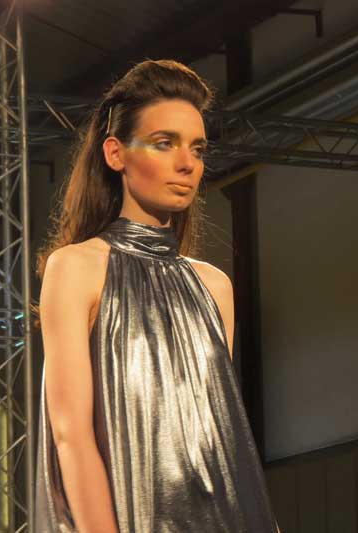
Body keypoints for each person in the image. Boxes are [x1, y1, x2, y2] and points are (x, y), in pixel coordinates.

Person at [33, 59, 280, 533]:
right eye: (164, 143)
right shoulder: (77, 268)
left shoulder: (214, 287)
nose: (187, 163)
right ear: (115, 153)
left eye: (197, 148)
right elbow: (70, 435)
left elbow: (223, 443)